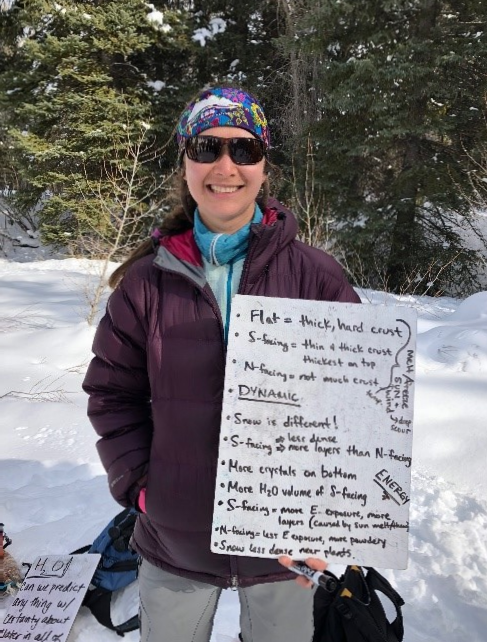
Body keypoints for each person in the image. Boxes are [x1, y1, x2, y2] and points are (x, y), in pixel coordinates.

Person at [83, 86, 360, 642]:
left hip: (284, 538)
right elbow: (112, 394)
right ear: (185, 164)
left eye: (244, 149)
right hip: (174, 535)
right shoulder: (147, 282)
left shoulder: (316, 276)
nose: (225, 166)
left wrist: (329, 513)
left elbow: (353, 403)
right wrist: (143, 488)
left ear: (264, 166)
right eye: (207, 148)